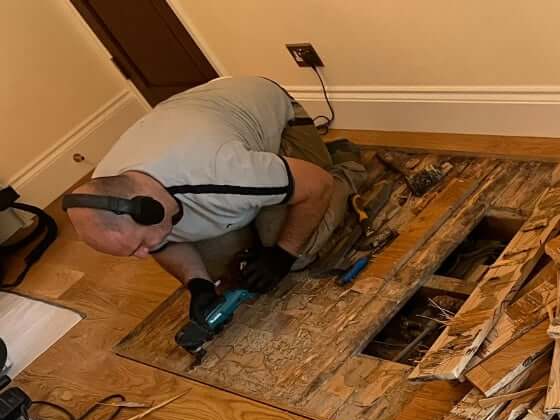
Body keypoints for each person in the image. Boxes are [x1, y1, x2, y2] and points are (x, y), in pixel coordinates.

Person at [63, 76, 364, 325]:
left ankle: (344, 165)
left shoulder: (222, 172)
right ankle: (269, 193)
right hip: (194, 117)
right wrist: (198, 284)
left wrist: (282, 255)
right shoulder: (109, 185)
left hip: (268, 108)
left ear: (149, 209)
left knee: (297, 248)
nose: (143, 255)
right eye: (133, 251)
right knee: (226, 271)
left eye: (140, 245)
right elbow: (164, 243)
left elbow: (316, 185)